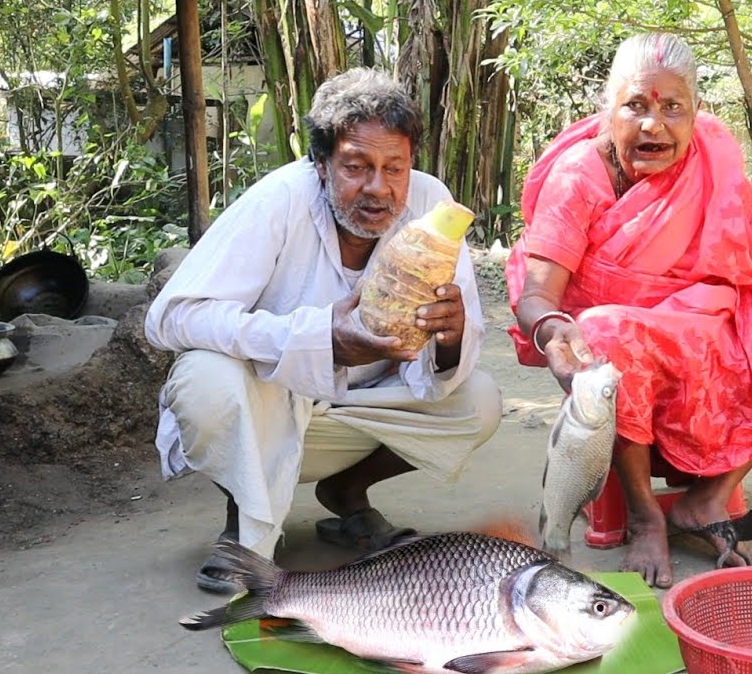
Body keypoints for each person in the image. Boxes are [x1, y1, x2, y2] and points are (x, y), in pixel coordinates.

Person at [507, 33, 752, 588]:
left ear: (695, 114)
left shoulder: (713, 164)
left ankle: (710, 498)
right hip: (619, 352)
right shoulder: (579, 176)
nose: (655, 125)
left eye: (673, 107)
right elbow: (537, 295)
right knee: (603, 334)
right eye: (637, 106)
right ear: (609, 109)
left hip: (706, 337)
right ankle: (645, 515)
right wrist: (553, 331)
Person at [145, 68, 502, 593]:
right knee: (206, 380)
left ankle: (347, 493)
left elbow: (455, 345)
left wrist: (450, 336)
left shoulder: (432, 205)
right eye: (356, 166)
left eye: (394, 168)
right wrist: (317, 338)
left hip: (359, 410)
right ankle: (243, 526)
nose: (378, 188)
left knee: (479, 399)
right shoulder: (280, 199)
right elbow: (172, 317)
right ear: (321, 163)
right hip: (270, 400)